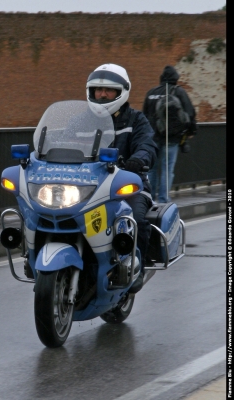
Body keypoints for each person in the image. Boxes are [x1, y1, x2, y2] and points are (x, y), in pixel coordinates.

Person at [86, 63, 158, 293]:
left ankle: (139, 265)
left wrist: (140, 158)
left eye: (109, 90)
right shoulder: (81, 121)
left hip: (127, 184)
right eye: (98, 89)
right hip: (88, 186)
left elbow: (147, 143)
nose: (102, 94)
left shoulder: (136, 120)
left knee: (135, 217)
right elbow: (57, 142)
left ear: (122, 92)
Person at [143, 65, 197, 203]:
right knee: (167, 169)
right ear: (175, 78)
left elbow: (144, 116)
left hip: (152, 138)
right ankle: (164, 199)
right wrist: (191, 132)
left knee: (152, 169)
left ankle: (149, 198)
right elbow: (190, 113)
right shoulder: (179, 92)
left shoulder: (151, 92)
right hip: (171, 138)